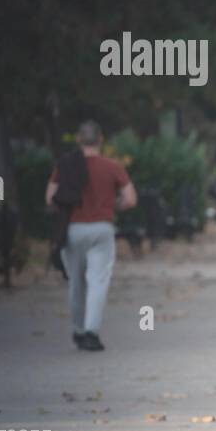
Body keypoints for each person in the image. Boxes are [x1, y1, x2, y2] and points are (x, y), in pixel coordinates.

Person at [45, 120, 137, 351]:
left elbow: (50, 198)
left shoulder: (65, 166)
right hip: (102, 229)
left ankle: (77, 330)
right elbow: (131, 199)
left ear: (78, 140)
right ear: (101, 140)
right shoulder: (112, 166)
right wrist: (112, 204)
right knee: (98, 281)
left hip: (73, 229)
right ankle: (91, 332)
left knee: (76, 283)